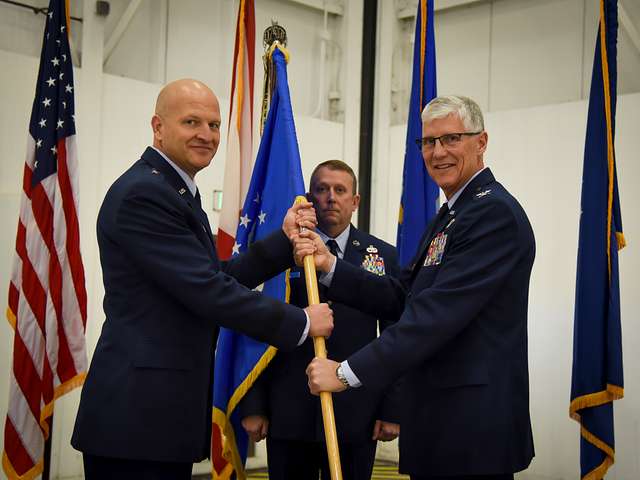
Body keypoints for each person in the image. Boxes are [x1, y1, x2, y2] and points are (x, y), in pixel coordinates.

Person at [70, 79, 333, 479]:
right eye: (191, 122)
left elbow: (212, 277)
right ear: (158, 127)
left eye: (213, 125)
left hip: (157, 415)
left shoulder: (175, 190)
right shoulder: (145, 194)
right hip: (137, 419)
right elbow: (208, 291)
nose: (206, 135)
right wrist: (299, 322)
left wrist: (283, 242)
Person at [302, 95, 536, 480]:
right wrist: (331, 267)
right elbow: (402, 297)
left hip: (471, 429)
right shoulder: (452, 213)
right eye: (428, 142)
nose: (438, 152)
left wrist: (345, 373)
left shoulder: (492, 213)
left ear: (481, 142)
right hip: (439, 420)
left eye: (451, 139)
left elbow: (433, 318)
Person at [239, 160, 401, 480]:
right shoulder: (284, 253)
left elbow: (396, 334)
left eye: (340, 190)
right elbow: (255, 325)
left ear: (355, 201)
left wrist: (391, 408)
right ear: (310, 200)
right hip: (288, 409)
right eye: (322, 189)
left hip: (356, 411)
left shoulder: (382, 256)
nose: (331, 197)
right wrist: (254, 403)